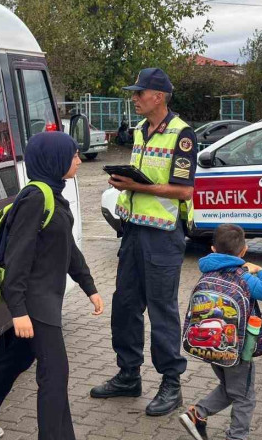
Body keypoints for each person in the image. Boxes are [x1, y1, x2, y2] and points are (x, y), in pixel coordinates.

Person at [0, 131, 103, 440]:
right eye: (73, 154)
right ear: (54, 159)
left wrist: (89, 286)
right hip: (36, 302)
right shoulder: (36, 197)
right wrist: (19, 311)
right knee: (55, 374)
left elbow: (68, 249)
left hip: (45, 298)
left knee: (21, 356)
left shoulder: (53, 193)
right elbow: (16, 260)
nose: (78, 159)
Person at [90, 68, 197, 416]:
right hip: (134, 229)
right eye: (134, 93)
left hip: (163, 233)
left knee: (161, 308)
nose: (134, 98)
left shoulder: (182, 135)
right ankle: (128, 375)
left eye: (140, 93)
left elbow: (184, 190)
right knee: (125, 304)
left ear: (159, 96)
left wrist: (137, 186)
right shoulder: (139, 130)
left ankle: (171, 383)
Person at [177, 224, 262, 440]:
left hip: (209, 345)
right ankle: (236, 436)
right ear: (244, 251)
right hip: (237, 349)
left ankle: (197, 414)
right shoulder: (244, 277)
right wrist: (260, 269)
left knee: (231, 388)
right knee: (244, 396)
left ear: (213, 249)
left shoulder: (207, 274)